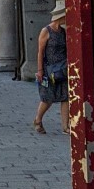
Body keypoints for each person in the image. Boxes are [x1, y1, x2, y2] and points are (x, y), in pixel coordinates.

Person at [34, 7, 69, 135]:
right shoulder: (46, 31)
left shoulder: (63, 31)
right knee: (48, 98)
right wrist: (40, 70)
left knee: (65, 97)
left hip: (62, 69)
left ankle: (65, 126)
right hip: (49, 69)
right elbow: (40, 52)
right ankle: (38, 120)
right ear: (60, 17)